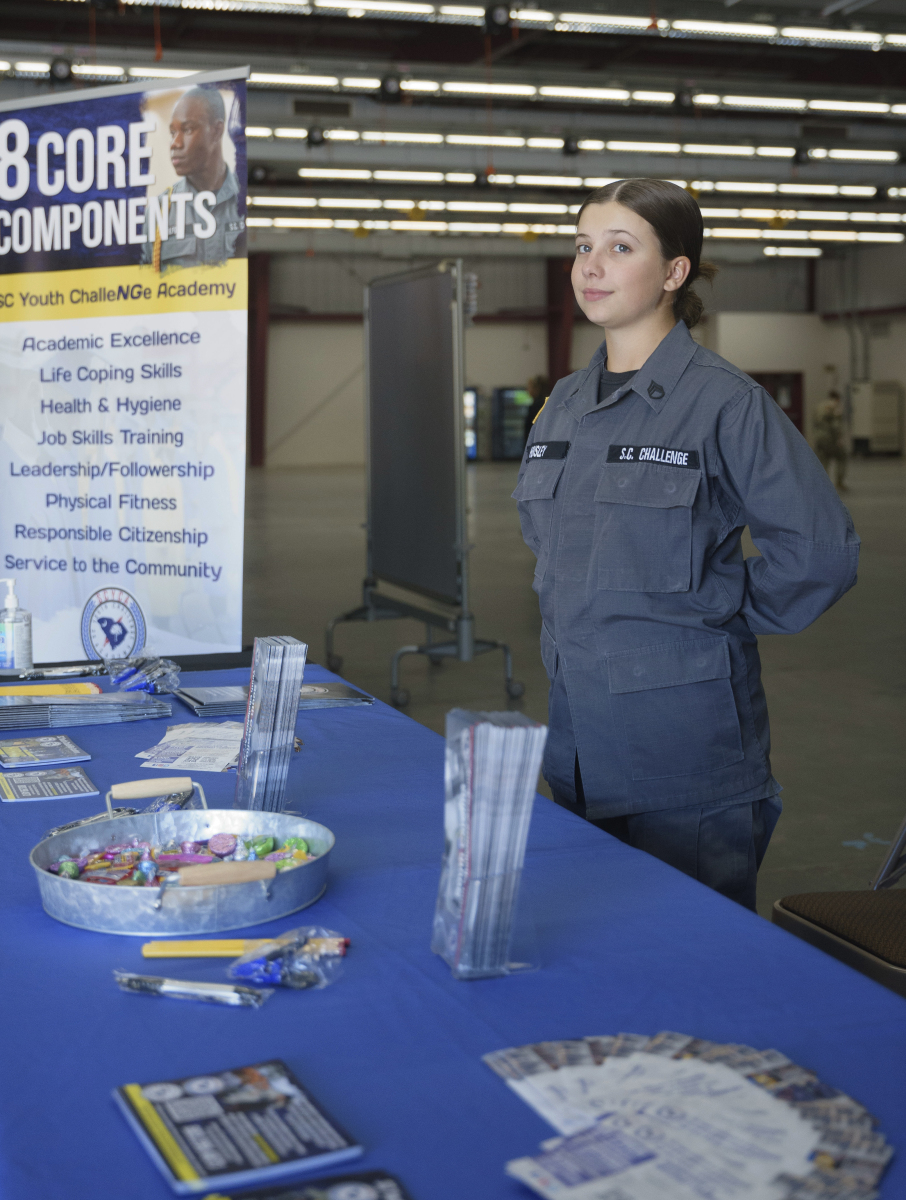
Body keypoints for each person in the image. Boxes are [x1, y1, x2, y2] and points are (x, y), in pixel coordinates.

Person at [513, 178, 859, 911]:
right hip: (579, 749)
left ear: (674, 272)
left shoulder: (725, 403)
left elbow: (821, 552)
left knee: (692, 958)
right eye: (582, 246)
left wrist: (717, 606)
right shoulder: (564, 405)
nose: (590, 266)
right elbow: (555, 548)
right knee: (595, 947)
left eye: (620, 247)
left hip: (684, 759)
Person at [142, 86, 245, 271]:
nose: (175, 143)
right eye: (173, 133)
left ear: (217, 131)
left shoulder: (242, 203)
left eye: (187, 129)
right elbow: (147, 280)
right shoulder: (160, 212)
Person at [814, 391, 848, 491]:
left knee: (823, 460)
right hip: (830, 438)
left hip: (819, 437)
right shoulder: (834, 406)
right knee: (842, 457)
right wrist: (839, 439)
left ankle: (823, 484)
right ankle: (839, 482)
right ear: (837, 399)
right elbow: (836, 425)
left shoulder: (819, 406)